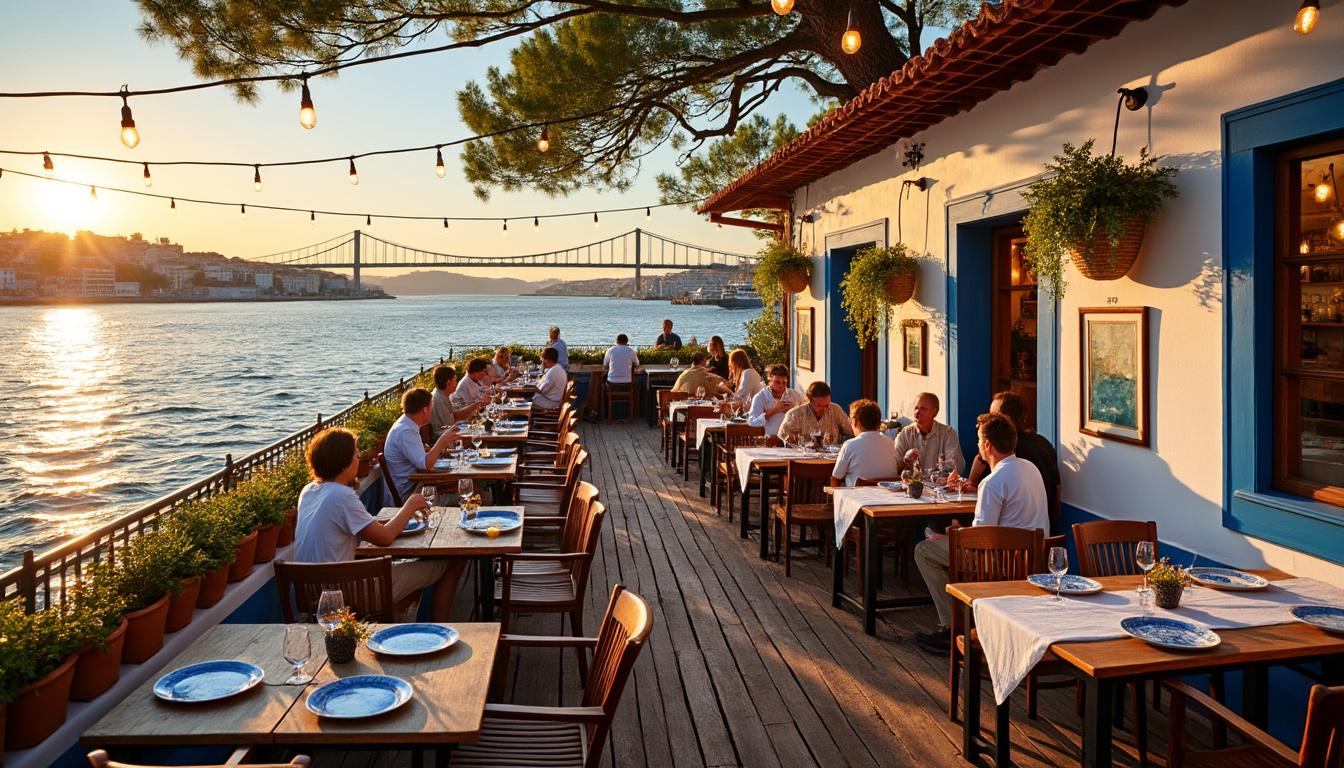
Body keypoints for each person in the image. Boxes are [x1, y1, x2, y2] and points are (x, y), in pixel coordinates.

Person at [912, 412, 1048, 653]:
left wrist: (951, 536)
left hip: (1002, 562)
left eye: (978, 441)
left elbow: (978, 542)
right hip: (1033, 559)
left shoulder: (993, 482)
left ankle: (952, 628)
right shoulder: (1030, 468)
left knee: (924, 550)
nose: (977, 446)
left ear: (988, 445)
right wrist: (958, 532)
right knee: (943, 542)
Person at [293, 427, 461, 620]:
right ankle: (437, 629)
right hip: (342, 594)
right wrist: (411, 504)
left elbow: (362, 527)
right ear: (343, 463)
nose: (358, 458)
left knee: (408, 583)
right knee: (447, 563)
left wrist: (395, 520)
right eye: (356, 455)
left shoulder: (308, 491)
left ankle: (395, 620)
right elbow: (384, 538)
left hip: (310, 593)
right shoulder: (341, 496)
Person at [958, 391, 1061, 532]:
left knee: (933, 540)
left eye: (993, 415)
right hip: (1044, 538)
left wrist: (957, 532)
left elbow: (982, 535)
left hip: (1008, 544)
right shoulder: (1037, 455)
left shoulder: (995, 477)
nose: (989, 419)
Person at [383, 387, 461, 504]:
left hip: (419, 486)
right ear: (424, 410)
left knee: (463, 484)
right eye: (431, 408)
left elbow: (419, 457)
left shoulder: (406, 424)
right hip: (411, 495)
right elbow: (425, 465)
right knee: (471, 493)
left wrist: (438, 451)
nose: (431, 412)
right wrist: (441, 442)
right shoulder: (405, 431)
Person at [831, 400, 901, 486]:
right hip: (886, 493)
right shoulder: (891, 444)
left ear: (855, 422)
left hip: (857, 494)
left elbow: (836, 477)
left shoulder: (850, 445)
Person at [894, 392, 965, 477]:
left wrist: (936, 472)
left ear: (935, 412)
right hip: (911, 484)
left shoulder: (947, 433)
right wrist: (905, 459)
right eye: (916, 408)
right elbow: (893, 467)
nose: (917, 412)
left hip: (939, 484)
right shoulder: (905, 434)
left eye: (923, 409)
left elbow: (957, 466)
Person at [777, 381, 855, 444]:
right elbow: (781, 439)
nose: (824, 409)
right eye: (819, 405)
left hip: (832, 456)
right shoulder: (794, 414)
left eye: (826, 405)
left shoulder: (836, 410)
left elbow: (853, 431)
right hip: (803, 457)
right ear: (809, 401)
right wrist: (790, 441)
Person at [747, 365, 802, 435]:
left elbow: (804, 419)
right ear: (769, 380)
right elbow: (752, 422)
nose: (781, 386)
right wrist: (774, 411)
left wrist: (792, 412)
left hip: (792, 438)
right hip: (770, 438)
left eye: (784, 383)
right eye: (777, 382)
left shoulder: (795, 396)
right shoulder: (760, 397)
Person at [430, 364, 479, 440]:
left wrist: (464, 424)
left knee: (477, 429)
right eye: (455, 379)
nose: (456, 382)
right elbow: (447, 428)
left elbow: (452, 419)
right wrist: (465, 426)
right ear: (448, 382)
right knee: (478, 433)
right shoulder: (438, 399)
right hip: (443, 439)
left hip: (448, 434)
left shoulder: (443, 395)